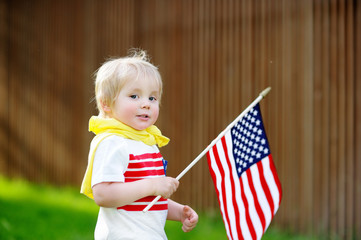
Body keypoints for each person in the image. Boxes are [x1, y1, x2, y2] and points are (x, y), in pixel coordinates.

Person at [80, 49, 198, 239]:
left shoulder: (147, 144)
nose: (146, 104)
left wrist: (178, 212)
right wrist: (152, 185)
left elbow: (146, 199)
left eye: (152, 98)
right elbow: (103, 195)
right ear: (106, 104)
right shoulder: (112, 142)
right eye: (134, 96)